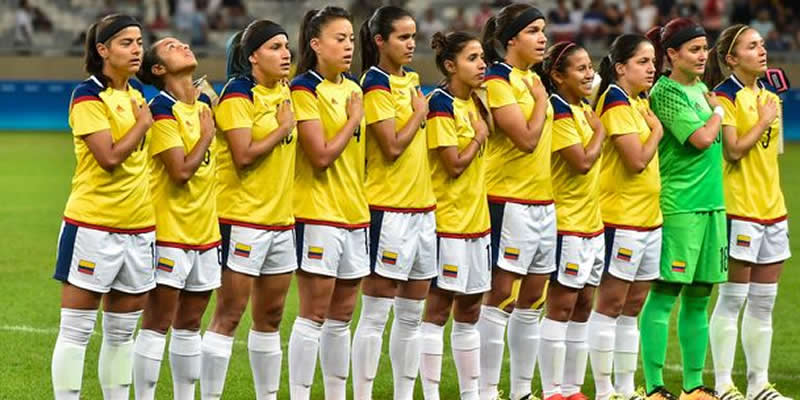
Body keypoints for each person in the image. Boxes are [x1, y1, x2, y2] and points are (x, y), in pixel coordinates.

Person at [51, 14, 153, 400]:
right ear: (102, 50)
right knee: (76, 329)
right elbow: (108, 157)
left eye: (139, 42)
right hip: (93, 225)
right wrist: (142, 125)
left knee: (122, 332)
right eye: (126, 42)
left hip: (139, 228)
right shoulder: (87, 96)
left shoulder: (139, 93)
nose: (136, 50)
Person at [200, 20, 296, 400]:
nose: (285, 53)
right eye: (274, 47)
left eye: (286, 45)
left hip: (280, 221)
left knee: (271, 319)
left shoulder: (286, 90)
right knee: (228, 317)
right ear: (252, 55)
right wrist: (281, 127)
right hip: (241, 220)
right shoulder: (239, 95)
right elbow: (243, 156)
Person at [351, 6, 435, 400]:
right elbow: (391, 146)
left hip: (423, 209)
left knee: (412, 316)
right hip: (389, 209)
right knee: (375, 314)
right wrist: (420, 113)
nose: (411, 43)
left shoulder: (412, 81)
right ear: (379, 41)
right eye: (402, 36)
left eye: (413, 36)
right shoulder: (375, 84)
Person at [705, 24, 791, 400]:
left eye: (762, 44)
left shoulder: (771, 96)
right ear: (731, 58)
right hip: (739, 209)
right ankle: (724, 383)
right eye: (752, 46)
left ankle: (759, 383)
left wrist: (770, 114)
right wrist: (763, 118)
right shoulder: (722, 98)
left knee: (764, 302)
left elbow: (776, 154)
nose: (762, 50)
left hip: (773, 209)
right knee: (733, 299)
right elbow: (734, 150)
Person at [641, 18, 726, 400]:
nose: (702, 55)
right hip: (680, 207)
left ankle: (694, 385)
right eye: (693, 49)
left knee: (699, 297)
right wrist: (719, 113)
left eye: (705, 48)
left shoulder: (704, 90)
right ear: (671, 54)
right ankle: (655, 385)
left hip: (711, 206)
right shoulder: (666, 91)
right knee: (664, 294)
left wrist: (714, 108)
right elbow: (702, 139)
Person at [287, 6, 368, 400]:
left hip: (355, 214)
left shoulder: (353, 87)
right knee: (314, 313)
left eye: (351, 38)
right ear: (316, 44)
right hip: (318, 212)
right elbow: (319, 155)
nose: (349, 45)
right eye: (340, 38)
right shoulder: (303, 89)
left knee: (341, 316)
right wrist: (353, 119)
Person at [131, 36, 218, 400]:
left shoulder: (203, 104)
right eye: (170, 46)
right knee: (156, 325)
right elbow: (180, 171)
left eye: (183, 43)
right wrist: (208, 134)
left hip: (205, 232)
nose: (182, 45)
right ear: (158, 70)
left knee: (190, 326)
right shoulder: (161, 109)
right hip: (170, 232)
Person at [477, 4, 552, 400]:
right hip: (508, 200)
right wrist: (541, 100)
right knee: (500, 299)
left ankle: (522, 391)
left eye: (543, 30)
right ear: (511, 40)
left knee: (532, 302)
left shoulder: (531, 79)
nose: (542, 38)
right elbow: (524, 139)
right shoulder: (497, 80)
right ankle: (488, 391)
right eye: (534, 31)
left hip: (543, 201)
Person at [588, 33, 662, 400]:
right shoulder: (615, 101)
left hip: (649, 218)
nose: (652, 68)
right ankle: (604, 390)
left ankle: (624, 387)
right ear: (620, 68)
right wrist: (658, 131)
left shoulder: (638, 101)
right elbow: (635, 161)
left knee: (633, 307)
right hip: (621, 216)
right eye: (643, 62)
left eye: (653, 61)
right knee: (612, 304)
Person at [419, 31, 490, 400]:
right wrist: (478, 136)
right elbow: (452, 165)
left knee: (471, 310)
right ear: (450, 66)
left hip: (478, 224)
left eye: (482, 58)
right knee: (438, 310)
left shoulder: (477, 103)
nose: (482, 65)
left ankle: (470, 394)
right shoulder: (440, 104)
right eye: (473, 58)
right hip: (448, 223)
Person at [534, 40, 606, 400]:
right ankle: (552, 391)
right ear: (557, 76)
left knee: (583, 306)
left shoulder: (580, 108)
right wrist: (601, 133)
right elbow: (580, 162)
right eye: (580, 68)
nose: (589, 72)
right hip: (567, 224)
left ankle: (573, 388)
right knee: (561, 306)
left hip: (591, 223)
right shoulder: (560, 109)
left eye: (590, 66)